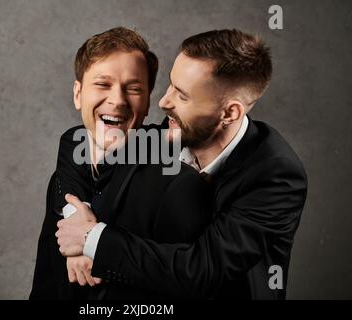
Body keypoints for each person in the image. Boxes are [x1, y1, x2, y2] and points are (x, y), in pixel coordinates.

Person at [56, 29, 308, 299]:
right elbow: (80, 142)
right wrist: (75, 217)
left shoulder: (276, 176)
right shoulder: (176, 133)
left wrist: (90, 239)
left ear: (229, 112)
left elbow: (201, 270)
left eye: (182, 96)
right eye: (171, 85)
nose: (164, 102)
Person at [30, 27, 213, 300]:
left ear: (150, 99)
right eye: (103, 84)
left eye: (134, 88)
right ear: (78, 94)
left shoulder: (176, 184)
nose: (117, 100)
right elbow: (47, 280)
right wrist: (75, 219)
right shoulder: (65, 176)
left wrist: (89, 242)